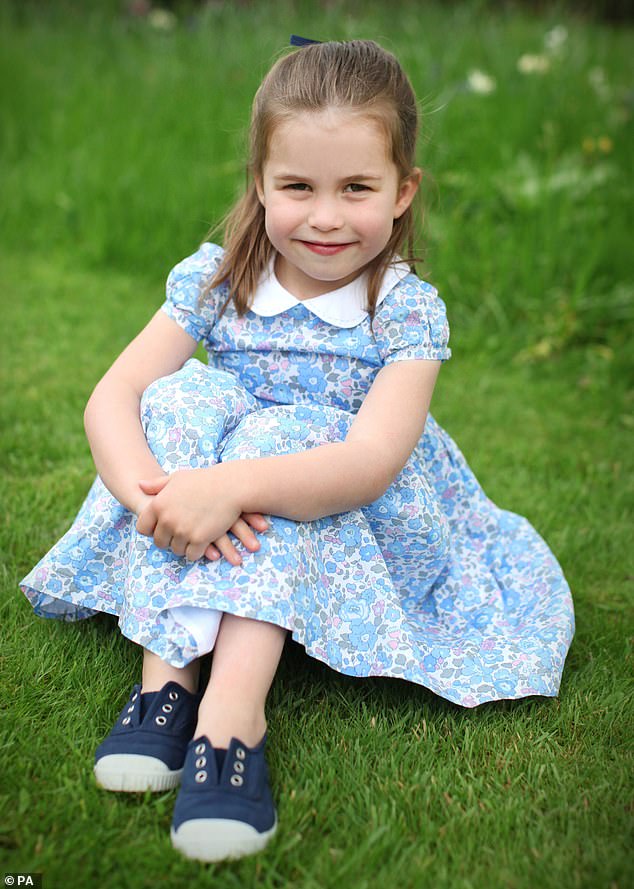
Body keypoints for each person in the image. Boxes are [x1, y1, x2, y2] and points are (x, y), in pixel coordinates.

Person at [20, 38, 574, 862]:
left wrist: (231, 486)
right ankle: (164, 686)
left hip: (355, 501)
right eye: (297, 187)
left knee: (296, 431)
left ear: (402, 191)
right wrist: (156, 503)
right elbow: (115, 395)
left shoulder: (404, 308)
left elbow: (370, 460)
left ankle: (232, 719)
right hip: (211, 487)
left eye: (356, 188)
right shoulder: (217, 278)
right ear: (260, 185)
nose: (324, 215)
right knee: (181, 397)